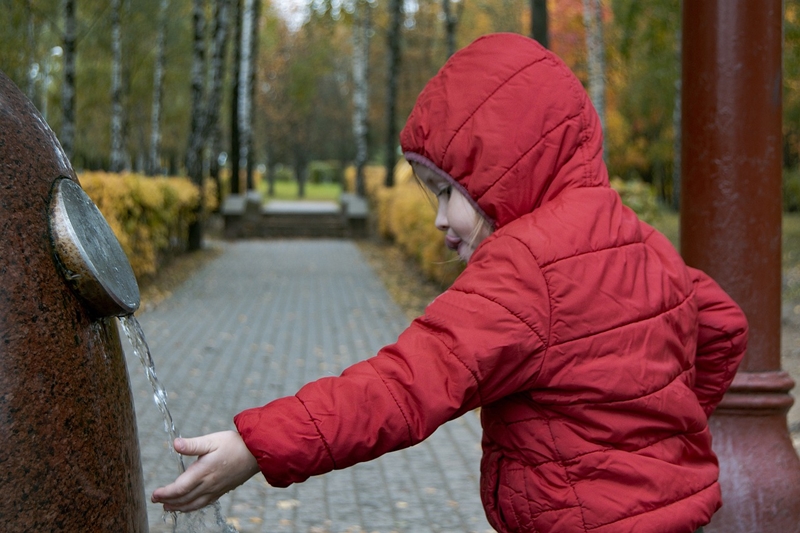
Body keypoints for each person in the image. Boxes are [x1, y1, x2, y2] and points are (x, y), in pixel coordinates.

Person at [153, 33, 748, 533]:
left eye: (446, 191)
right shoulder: (642, 240)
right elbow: (723, 325)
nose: (439, 218)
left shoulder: (524, 268)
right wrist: (665, 428)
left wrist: (259, 445)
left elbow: (402, 388)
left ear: (505, 165)